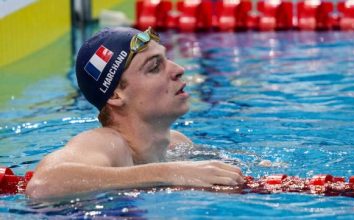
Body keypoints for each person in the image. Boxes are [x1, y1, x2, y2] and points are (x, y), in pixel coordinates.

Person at [26, 27, 245, 199]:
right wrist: (169, 173)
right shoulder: (108, 143)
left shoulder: (176, 144)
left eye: (166, 59)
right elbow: (43, 184)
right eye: (154, 67)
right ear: (116, 95)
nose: (178, 69)